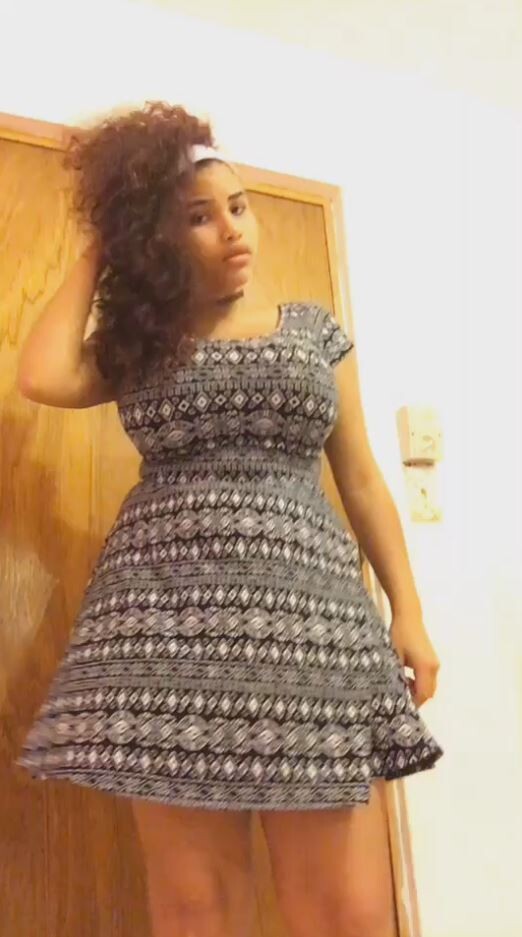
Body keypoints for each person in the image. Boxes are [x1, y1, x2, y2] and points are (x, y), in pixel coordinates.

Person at [16, 101, 443, 937]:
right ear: (156, 240)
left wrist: (410, 612)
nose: (232, 229)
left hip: (311, 629)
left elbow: (360, 480)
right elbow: (42, 373)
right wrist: (103, 242)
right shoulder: (142, 345)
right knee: (195, 909)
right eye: (198, 217)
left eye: (238, 207)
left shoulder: (313, 333)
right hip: (164, 634)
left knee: (346, 912)